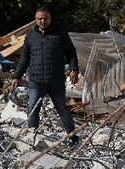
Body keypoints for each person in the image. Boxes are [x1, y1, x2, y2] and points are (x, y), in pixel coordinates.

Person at [11, 6, 79, 144]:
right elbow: (24, 59)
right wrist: (16, 76)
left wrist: (74, 69)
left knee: (62, 109)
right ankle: (33, 139)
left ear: (50, 18)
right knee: (32, 110)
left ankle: (72, 137)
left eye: (45, 18)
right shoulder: (30, 36)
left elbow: (71, 53)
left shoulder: (60, 34)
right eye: (40, 19)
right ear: (35, 20)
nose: (42, 21)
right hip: (36, 81)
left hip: (55, 81)